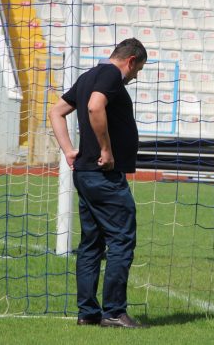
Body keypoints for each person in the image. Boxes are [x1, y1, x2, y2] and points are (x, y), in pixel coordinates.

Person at [49, 38, 148, 329]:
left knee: (91, 244)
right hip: (103, 176)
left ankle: (88, 313)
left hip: (85, 173)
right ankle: (115, 312)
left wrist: (69, 150)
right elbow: (95, 107)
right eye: (137, 69)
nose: (135, 76)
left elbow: (56, 112)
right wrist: (106, 150)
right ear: (130, 61)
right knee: (121, 239)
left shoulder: (87, 76)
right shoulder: (110, 74)